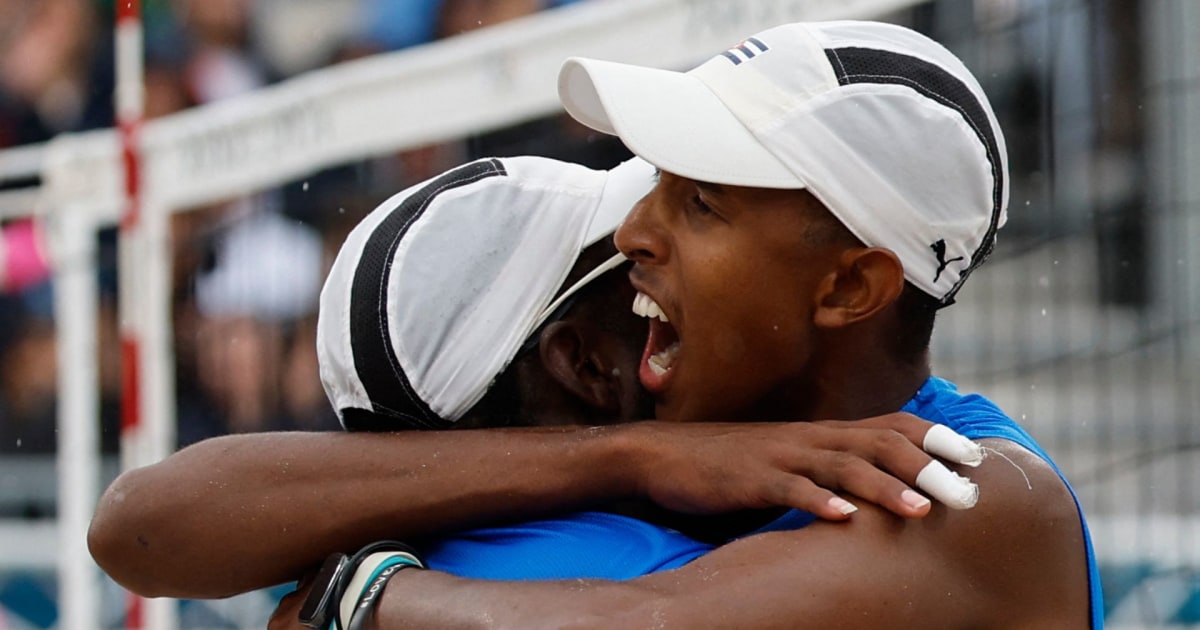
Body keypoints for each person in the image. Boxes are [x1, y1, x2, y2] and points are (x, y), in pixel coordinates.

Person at [263, 19, 1101, 629]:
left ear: (848, 286)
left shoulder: (984, 500)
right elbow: (146, 523)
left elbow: (645, 621)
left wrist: (361, 596)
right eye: (655, 182)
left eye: (700, 204)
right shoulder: (679, 471)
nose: (632, 233)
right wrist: (636, 453)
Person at [89, 154, 976, 598]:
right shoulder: (617, 568)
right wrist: (625, 455)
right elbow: (137, 524)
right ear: (586, 363)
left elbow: (141, 527)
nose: (651, 241)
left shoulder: (399, 570)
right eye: (633, 258)